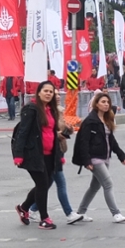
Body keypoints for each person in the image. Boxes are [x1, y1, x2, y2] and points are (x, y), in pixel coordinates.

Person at [12, 81, 62, 230]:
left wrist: (58, 155)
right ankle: (44, 218)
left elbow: (53, 133)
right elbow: (23, 132)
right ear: (39, 92)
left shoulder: (51, 109)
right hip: (33, 153)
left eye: (51, 92)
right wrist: (18, 155)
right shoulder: (31, 109)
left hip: (49, 154)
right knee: (42, 184)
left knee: (44, 184)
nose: (48, 94)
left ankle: (24, 207)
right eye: (45, 91)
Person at [72, 93, 125, 223]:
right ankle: (116, 213)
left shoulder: (107, 119)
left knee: (94, 187)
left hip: (105, 157)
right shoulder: (90, 121)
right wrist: (86, 161)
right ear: (96, 104)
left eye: (107, 102)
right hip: (95, 158)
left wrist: (121, 154)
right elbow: (83, 142)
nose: (106, 104)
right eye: (103, 102)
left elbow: (111, 140)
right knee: (108, 184)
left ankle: (80, 212)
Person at [28, 91, 82, 225]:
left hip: (58, 151)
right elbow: (43, 132)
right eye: (53, 93)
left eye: (56, 93)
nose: (57, 96)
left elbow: (61, 129)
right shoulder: (44, 112)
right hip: (50, 153)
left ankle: (30, 208)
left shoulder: (58, 111)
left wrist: (68, 129)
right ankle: (69, 213)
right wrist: (56, 134)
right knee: (60, 183)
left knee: (46, 184)